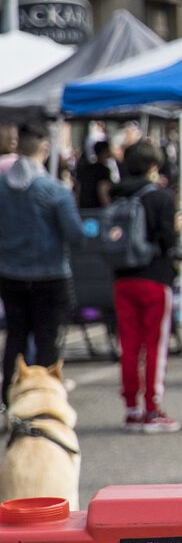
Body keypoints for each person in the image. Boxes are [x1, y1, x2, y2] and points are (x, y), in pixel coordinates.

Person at [0, 123, 85, 406]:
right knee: (48, 341)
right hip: (50, 274)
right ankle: (44, 399)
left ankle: (8, 399)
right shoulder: (54, 190)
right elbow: (75, 235)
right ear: (45, 149)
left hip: (10, 272)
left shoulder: (2, 187)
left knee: (16, 339)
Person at [112, 140, 182, 432]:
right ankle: (152, 408)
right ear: (153, 166)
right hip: (155, 277)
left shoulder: (117, 194)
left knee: (129, 345)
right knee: (155, 346)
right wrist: (179, 226)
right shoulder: (160, 197)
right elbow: (168, 240)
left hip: (122, 277)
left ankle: (131, 408)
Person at [76, 140, 116, 209]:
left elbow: (78, 188)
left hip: (84, 208)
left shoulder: (86, 169)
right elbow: (103, 190)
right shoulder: (104, 170)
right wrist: (109, 208)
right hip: (97, 209)